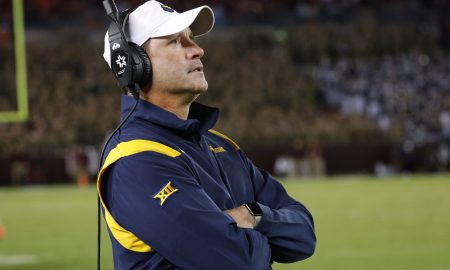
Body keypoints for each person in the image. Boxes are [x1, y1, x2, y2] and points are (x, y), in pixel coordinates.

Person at [97, 1, 316, 269]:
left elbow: (304, 236)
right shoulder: (135, 162)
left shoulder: (221, 145)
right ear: (132, 65)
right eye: (176, 42)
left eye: (192, 39)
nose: (198, 50)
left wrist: (254, 215)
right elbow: (239, 262)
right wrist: (263, 238)